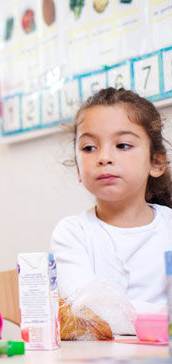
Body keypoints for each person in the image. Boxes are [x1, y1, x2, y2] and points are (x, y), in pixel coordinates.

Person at [51, 88, 172, 315]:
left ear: (156, 162)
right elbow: (88, 309)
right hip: (99, 352)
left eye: (122, 145)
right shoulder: (72, 233)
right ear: (78, 168)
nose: (104, 157)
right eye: (89, 148)